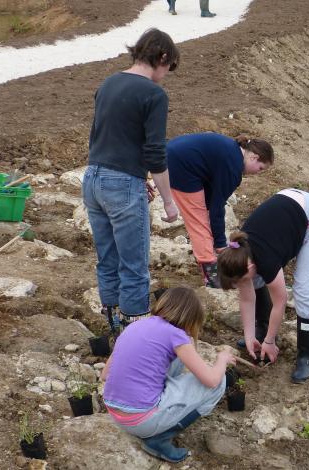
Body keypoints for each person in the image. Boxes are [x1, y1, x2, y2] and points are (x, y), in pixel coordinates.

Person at [83, 28, 180, 329]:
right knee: (135, 266)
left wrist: (138, 179)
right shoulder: (153, 94)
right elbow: (155, 153)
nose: (166, 73)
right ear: (162, 56)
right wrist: (168, 201)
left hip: (93, 178)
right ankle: (135, 335)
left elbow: (101, 136)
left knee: (107, 259)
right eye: (169, 66)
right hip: (122, 184)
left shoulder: (108, 83)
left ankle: (114, 326)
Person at [101, 287, 237, 463]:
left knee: (173, 358)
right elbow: (211, 380)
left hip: (115, 413)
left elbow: (105, 375)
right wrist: (221, 359)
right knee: (219, 382)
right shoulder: (177, 335)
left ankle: (159, 407)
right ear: (191, 317)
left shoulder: (135, 326)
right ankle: (160, 439)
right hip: (141, 421)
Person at [217, 189, 309, 384]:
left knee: (305, 291)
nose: (241, 286)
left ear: (250, 266)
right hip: (285, 211)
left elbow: (281, 302)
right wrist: (249, 335)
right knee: (253, 281)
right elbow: (246, 298)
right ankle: (260, 330)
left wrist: (270, 342)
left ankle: (306, 354)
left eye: (240, 280)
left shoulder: (266, 260)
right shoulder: (239, 253)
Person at [167, 134, 273, 288]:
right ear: (254, 157)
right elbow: (217, 208)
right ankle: (211, 273)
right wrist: (221, 245)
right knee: (198, 220)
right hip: (180, 165)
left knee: (203, 214)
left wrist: (217, 238)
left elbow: (212, 196)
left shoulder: (233, 153)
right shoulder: (233, 168)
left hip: (176, 154)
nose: (258, 172)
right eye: (261, 168)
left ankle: (208, 253)